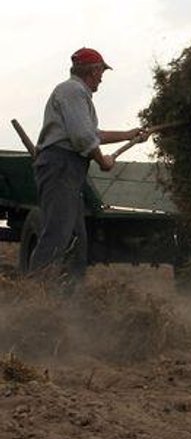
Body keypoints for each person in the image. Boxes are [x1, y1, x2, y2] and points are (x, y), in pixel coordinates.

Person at [28, 47, 148, 279]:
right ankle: (34, 294)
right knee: (58, 234)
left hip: (68, 169)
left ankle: (68, 303)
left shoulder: (76, 94)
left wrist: (128, 134)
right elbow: (83, 137)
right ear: (93, 70)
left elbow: (93, 133)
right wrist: (102, 160)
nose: (102, 78)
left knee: (76, 238)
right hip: (60, 166)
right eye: (101, 72)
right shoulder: (73, 91)